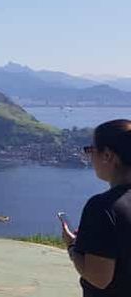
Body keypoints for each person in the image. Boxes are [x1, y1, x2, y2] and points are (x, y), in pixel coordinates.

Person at [62, 119, 131, 296]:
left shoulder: (103, 207)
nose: (89, 156)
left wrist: (73, 247)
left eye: (90, 150)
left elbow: (99, 278)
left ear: (107, 155)